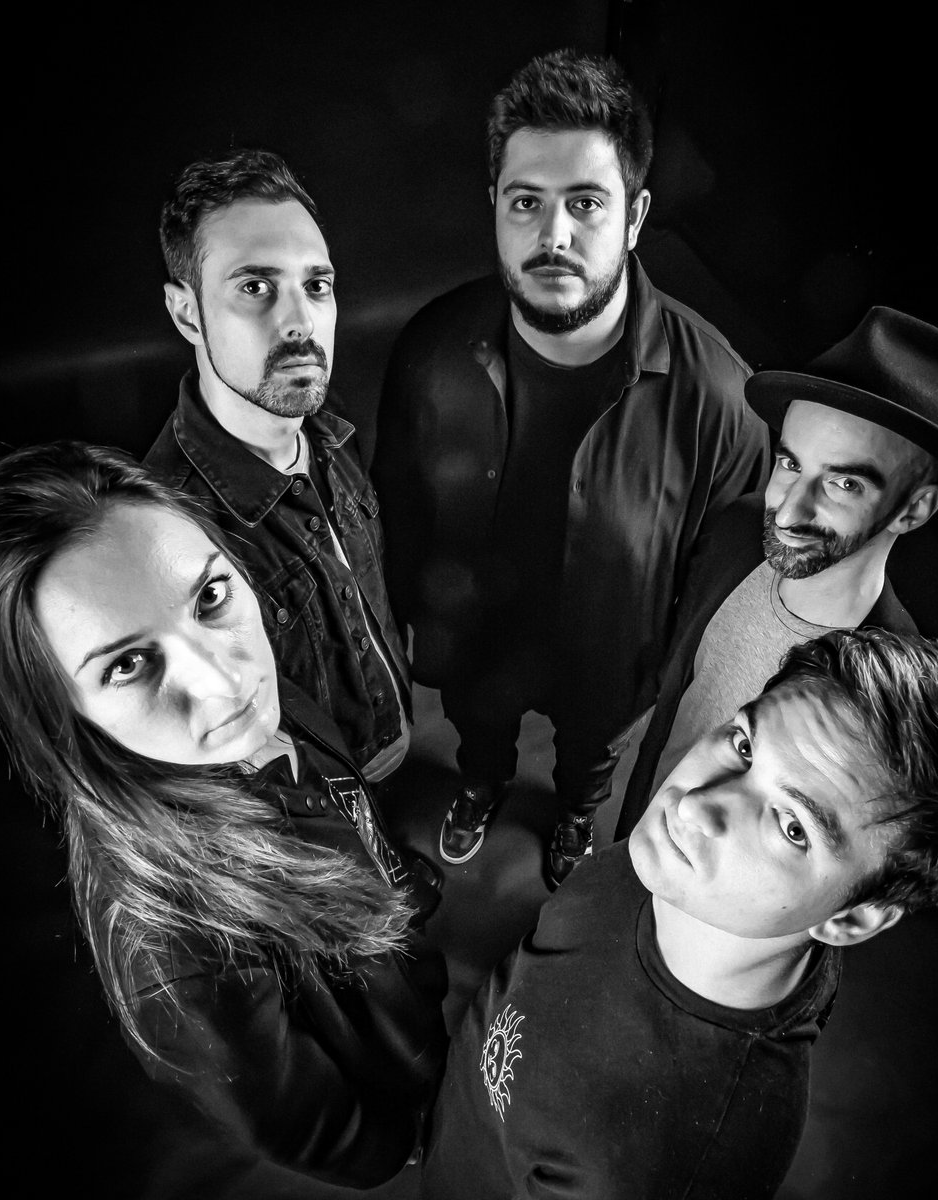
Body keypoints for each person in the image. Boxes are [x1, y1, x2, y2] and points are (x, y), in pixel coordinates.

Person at [0, 441, 448, 1188]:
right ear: (61, 714)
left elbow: (354, 818)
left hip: (414, 1007)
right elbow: (313, 1127)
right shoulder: (176, 950)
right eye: (128, 664)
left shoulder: (270, 700)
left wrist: (403, 897)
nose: (221, 682)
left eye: (209, 597)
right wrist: (409, 1145)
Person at [419, 628, 938, 1200]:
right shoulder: (662, 863)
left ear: (851, 919)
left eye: (792, 826)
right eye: (745, 746)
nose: (694, 805)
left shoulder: (675, 1162)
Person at [373, 49, 770, 888]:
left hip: (614, 657)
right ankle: (482, 786)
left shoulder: (722, 399)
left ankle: (575, 824)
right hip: (478, 630)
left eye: (585, 203)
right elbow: (398, 503)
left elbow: (722, 589)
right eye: (526, 202)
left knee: (591, 762)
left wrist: (666, 678)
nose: (553, 236)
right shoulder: (432, 348)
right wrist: (405, 620)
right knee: (479, 730)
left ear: (635, 216)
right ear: (494, 204)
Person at [616, 305, 938, 839]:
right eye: (790, 463)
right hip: (638, 813)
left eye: (843, 484)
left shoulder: (886, 698)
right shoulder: (739, 531)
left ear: (915, 509)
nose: (789, 512)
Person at [146, 149, 412, 785]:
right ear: (187, 313)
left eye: (315, 286)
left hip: (396, 737)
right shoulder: (170, 530)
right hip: (317, 794)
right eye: (255, 287)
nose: (300, 322)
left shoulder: (328, 428)